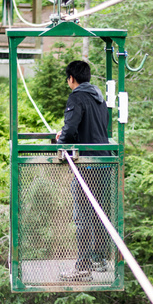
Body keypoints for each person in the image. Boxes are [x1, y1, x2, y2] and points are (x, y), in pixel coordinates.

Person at [56, 60, 111, 281]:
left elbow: (70, 129)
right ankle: (98, 259)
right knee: (98, 214)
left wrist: (62, 138)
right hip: (104, 163)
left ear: (72, 78)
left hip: (86, 164)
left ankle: (83, 267)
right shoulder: (99, 98)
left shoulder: (77, 97)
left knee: (82, 217)